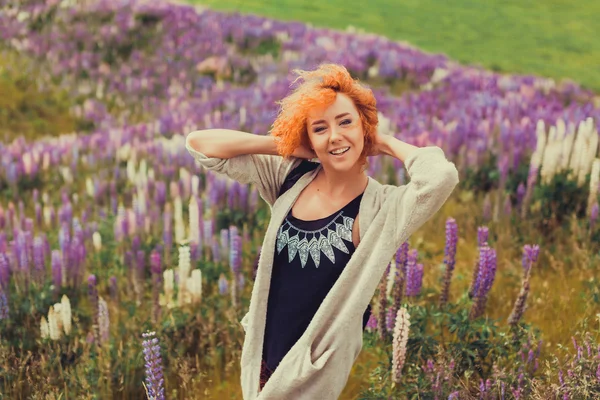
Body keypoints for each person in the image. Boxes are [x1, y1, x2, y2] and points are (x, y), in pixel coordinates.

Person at [186, 63, 459, 400]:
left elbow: (440, 177)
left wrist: (384, 142)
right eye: (319, 128)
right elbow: (200, 144)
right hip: (261, 361)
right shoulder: (291, 178)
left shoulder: (381, 208)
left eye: (346, 122)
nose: (335, 136)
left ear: (364, 126)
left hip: (312, 377)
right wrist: (287, 146)